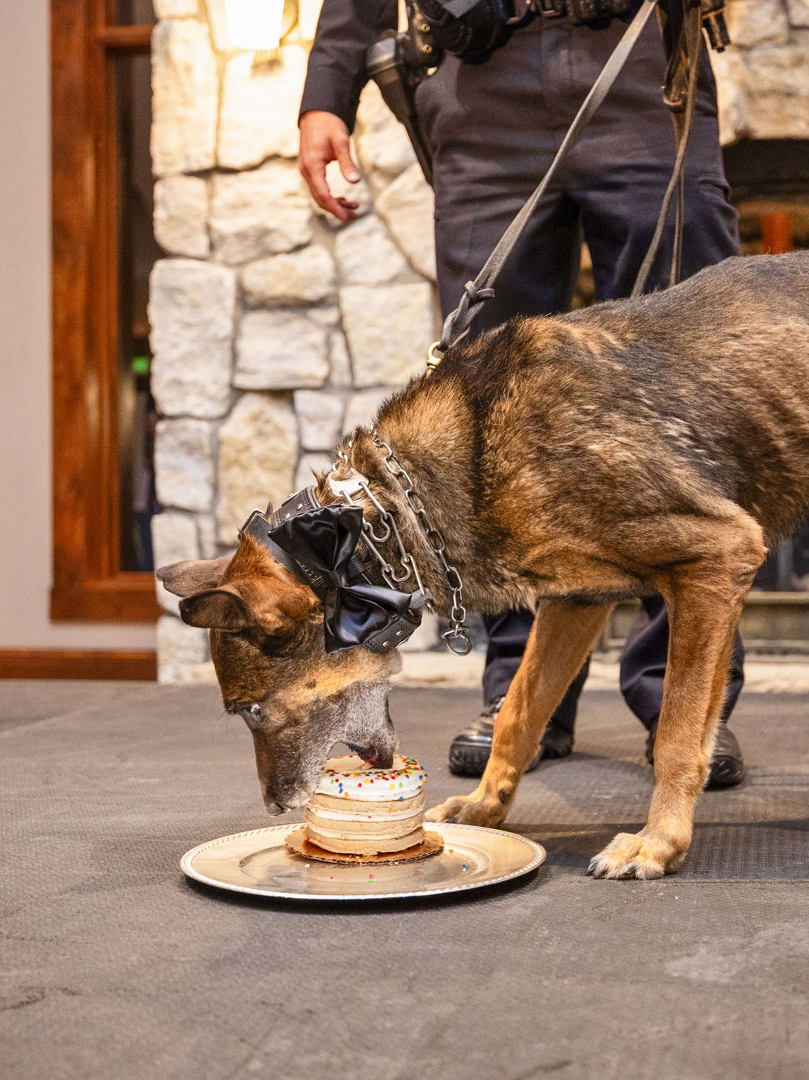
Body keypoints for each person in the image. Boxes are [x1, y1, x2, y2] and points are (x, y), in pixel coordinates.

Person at [299, 0, 746, 785]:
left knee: (686, 386)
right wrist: (326, 94)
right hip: (481, 77)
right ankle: (518, 698)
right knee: (486, 423)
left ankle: (688, 697)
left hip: (640, 60)